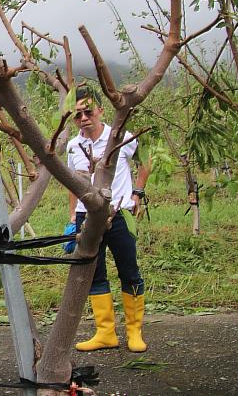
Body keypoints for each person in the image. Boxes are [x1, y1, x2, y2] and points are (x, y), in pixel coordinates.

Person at [67, 86, 150, 353]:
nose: (83, 118)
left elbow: (146, 161)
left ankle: (134, 332)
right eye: (77, 115)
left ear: (101, 110)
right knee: (94, 271)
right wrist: (72, 215)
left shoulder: (121, 138)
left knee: (129, 269)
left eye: (88, 111)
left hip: (119, 213)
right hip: (87, 216)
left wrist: (137, 192)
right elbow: (72, 183)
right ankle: (105, 332)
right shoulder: (73, 145)